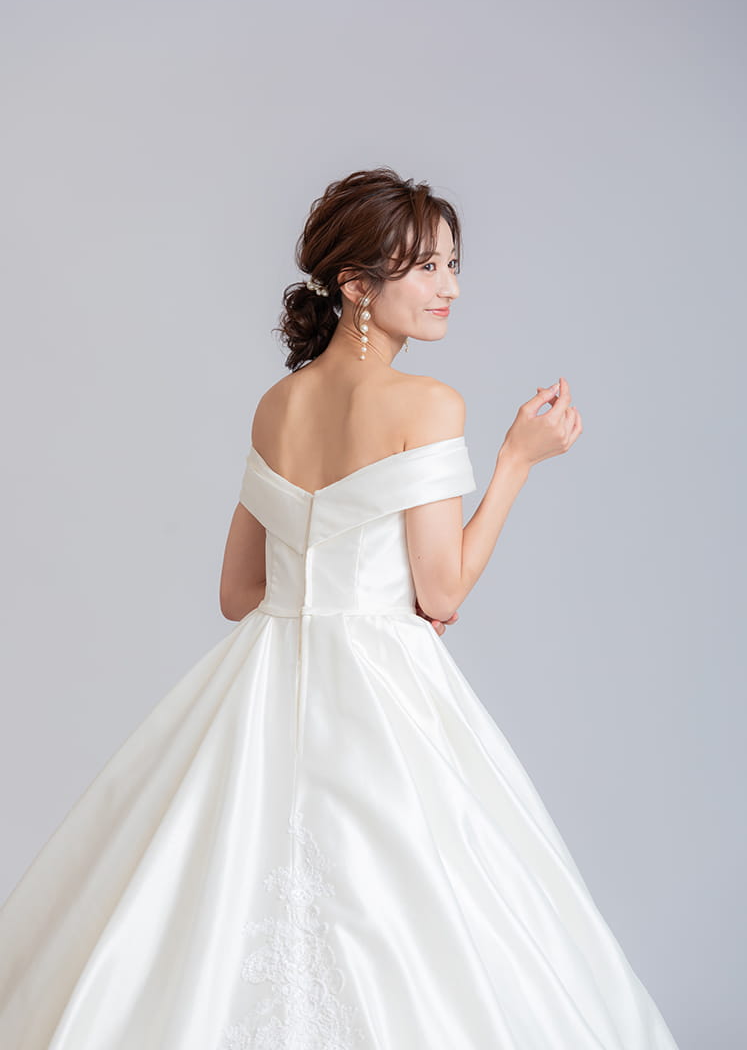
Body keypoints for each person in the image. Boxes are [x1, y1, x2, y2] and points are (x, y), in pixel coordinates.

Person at [0, 166, 679, 1049]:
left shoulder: (276, 406)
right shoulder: (428, 404)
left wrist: (340, 584)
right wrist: (515, 461)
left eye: (452, 264)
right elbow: (442, 591)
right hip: (380, 687)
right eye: (425, 267)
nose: (449, 286)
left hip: (262, 679)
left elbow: (238, 594)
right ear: (356, 284)